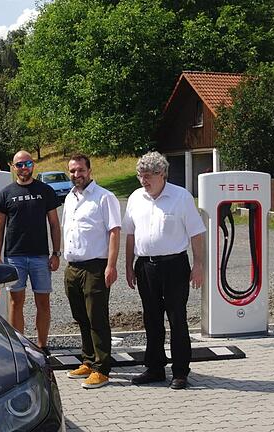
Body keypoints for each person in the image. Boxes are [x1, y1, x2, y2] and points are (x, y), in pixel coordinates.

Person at [123, 151, 206, 390]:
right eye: (141, 176)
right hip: (145, 266)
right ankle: (155, 368)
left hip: (174, 266)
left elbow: (196, 233)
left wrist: (198, 264)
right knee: (151, 318)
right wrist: (128, 266)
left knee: (177, 318)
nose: (143, 181)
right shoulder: (136, 198)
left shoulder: (181, 197)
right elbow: (130, 234)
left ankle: (180, 371)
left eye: (148, 176)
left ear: (163, 174)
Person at [0, 150, 61, 356]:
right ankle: (19, 346)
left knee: (43, 302)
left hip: (40, 256)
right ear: (13, 167)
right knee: (16, 302)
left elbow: (55, 224)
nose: (24, 168)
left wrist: (56, 253)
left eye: (28, 164)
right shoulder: (6, 193)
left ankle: (42, 345)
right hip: (15, 256)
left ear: (33, 166)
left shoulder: (45, 191)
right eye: (20, 165)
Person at [62, 154, 121, 389]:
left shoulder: (104, 197)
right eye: (73, 171)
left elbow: (115, 232)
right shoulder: (69, 198)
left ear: (90, 170)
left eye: (80, 170)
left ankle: (102, 368)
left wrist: (111, 265)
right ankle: (87, 361)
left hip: (95, 267)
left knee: (97, 318)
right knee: (81, 317)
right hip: (73, 267)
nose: (77, 175)